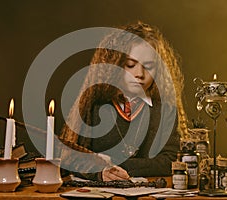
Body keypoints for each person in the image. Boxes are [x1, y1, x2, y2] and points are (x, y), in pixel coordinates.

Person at [59, 21, 188, 181]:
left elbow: (171, 161)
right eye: (130, 65)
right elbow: (72, 158)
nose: (139, 74)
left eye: (148, 66)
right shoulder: (93, 106)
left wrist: (116, 166)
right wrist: (100, 173)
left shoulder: (165, 111)